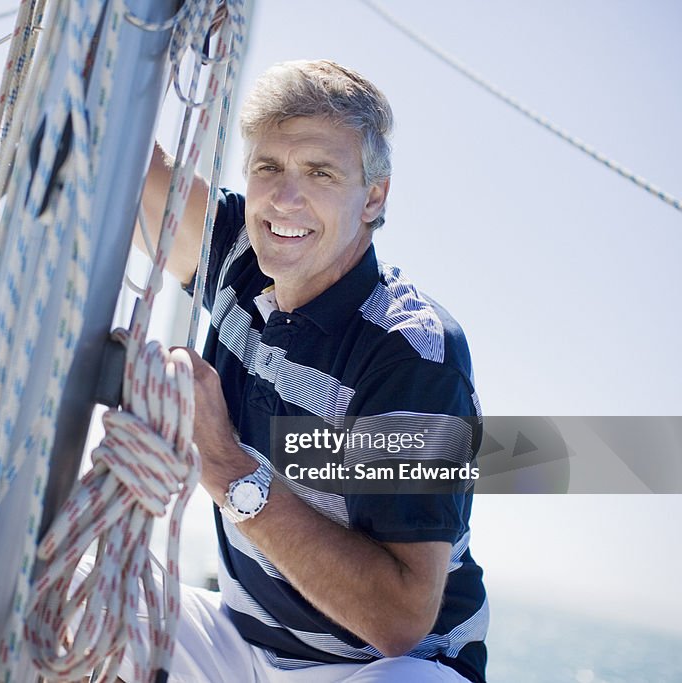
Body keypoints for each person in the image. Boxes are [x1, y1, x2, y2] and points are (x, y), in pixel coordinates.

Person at [132, 60, 488, 682]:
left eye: (319, 173)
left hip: (385, 666)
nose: (284, 198)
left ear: (373, 196)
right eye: (268, 167)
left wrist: (225, 466)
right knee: (57, 584)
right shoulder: (237, 253)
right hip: (243, 646)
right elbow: (130, 177)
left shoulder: (412, 356)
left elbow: (400, 618)